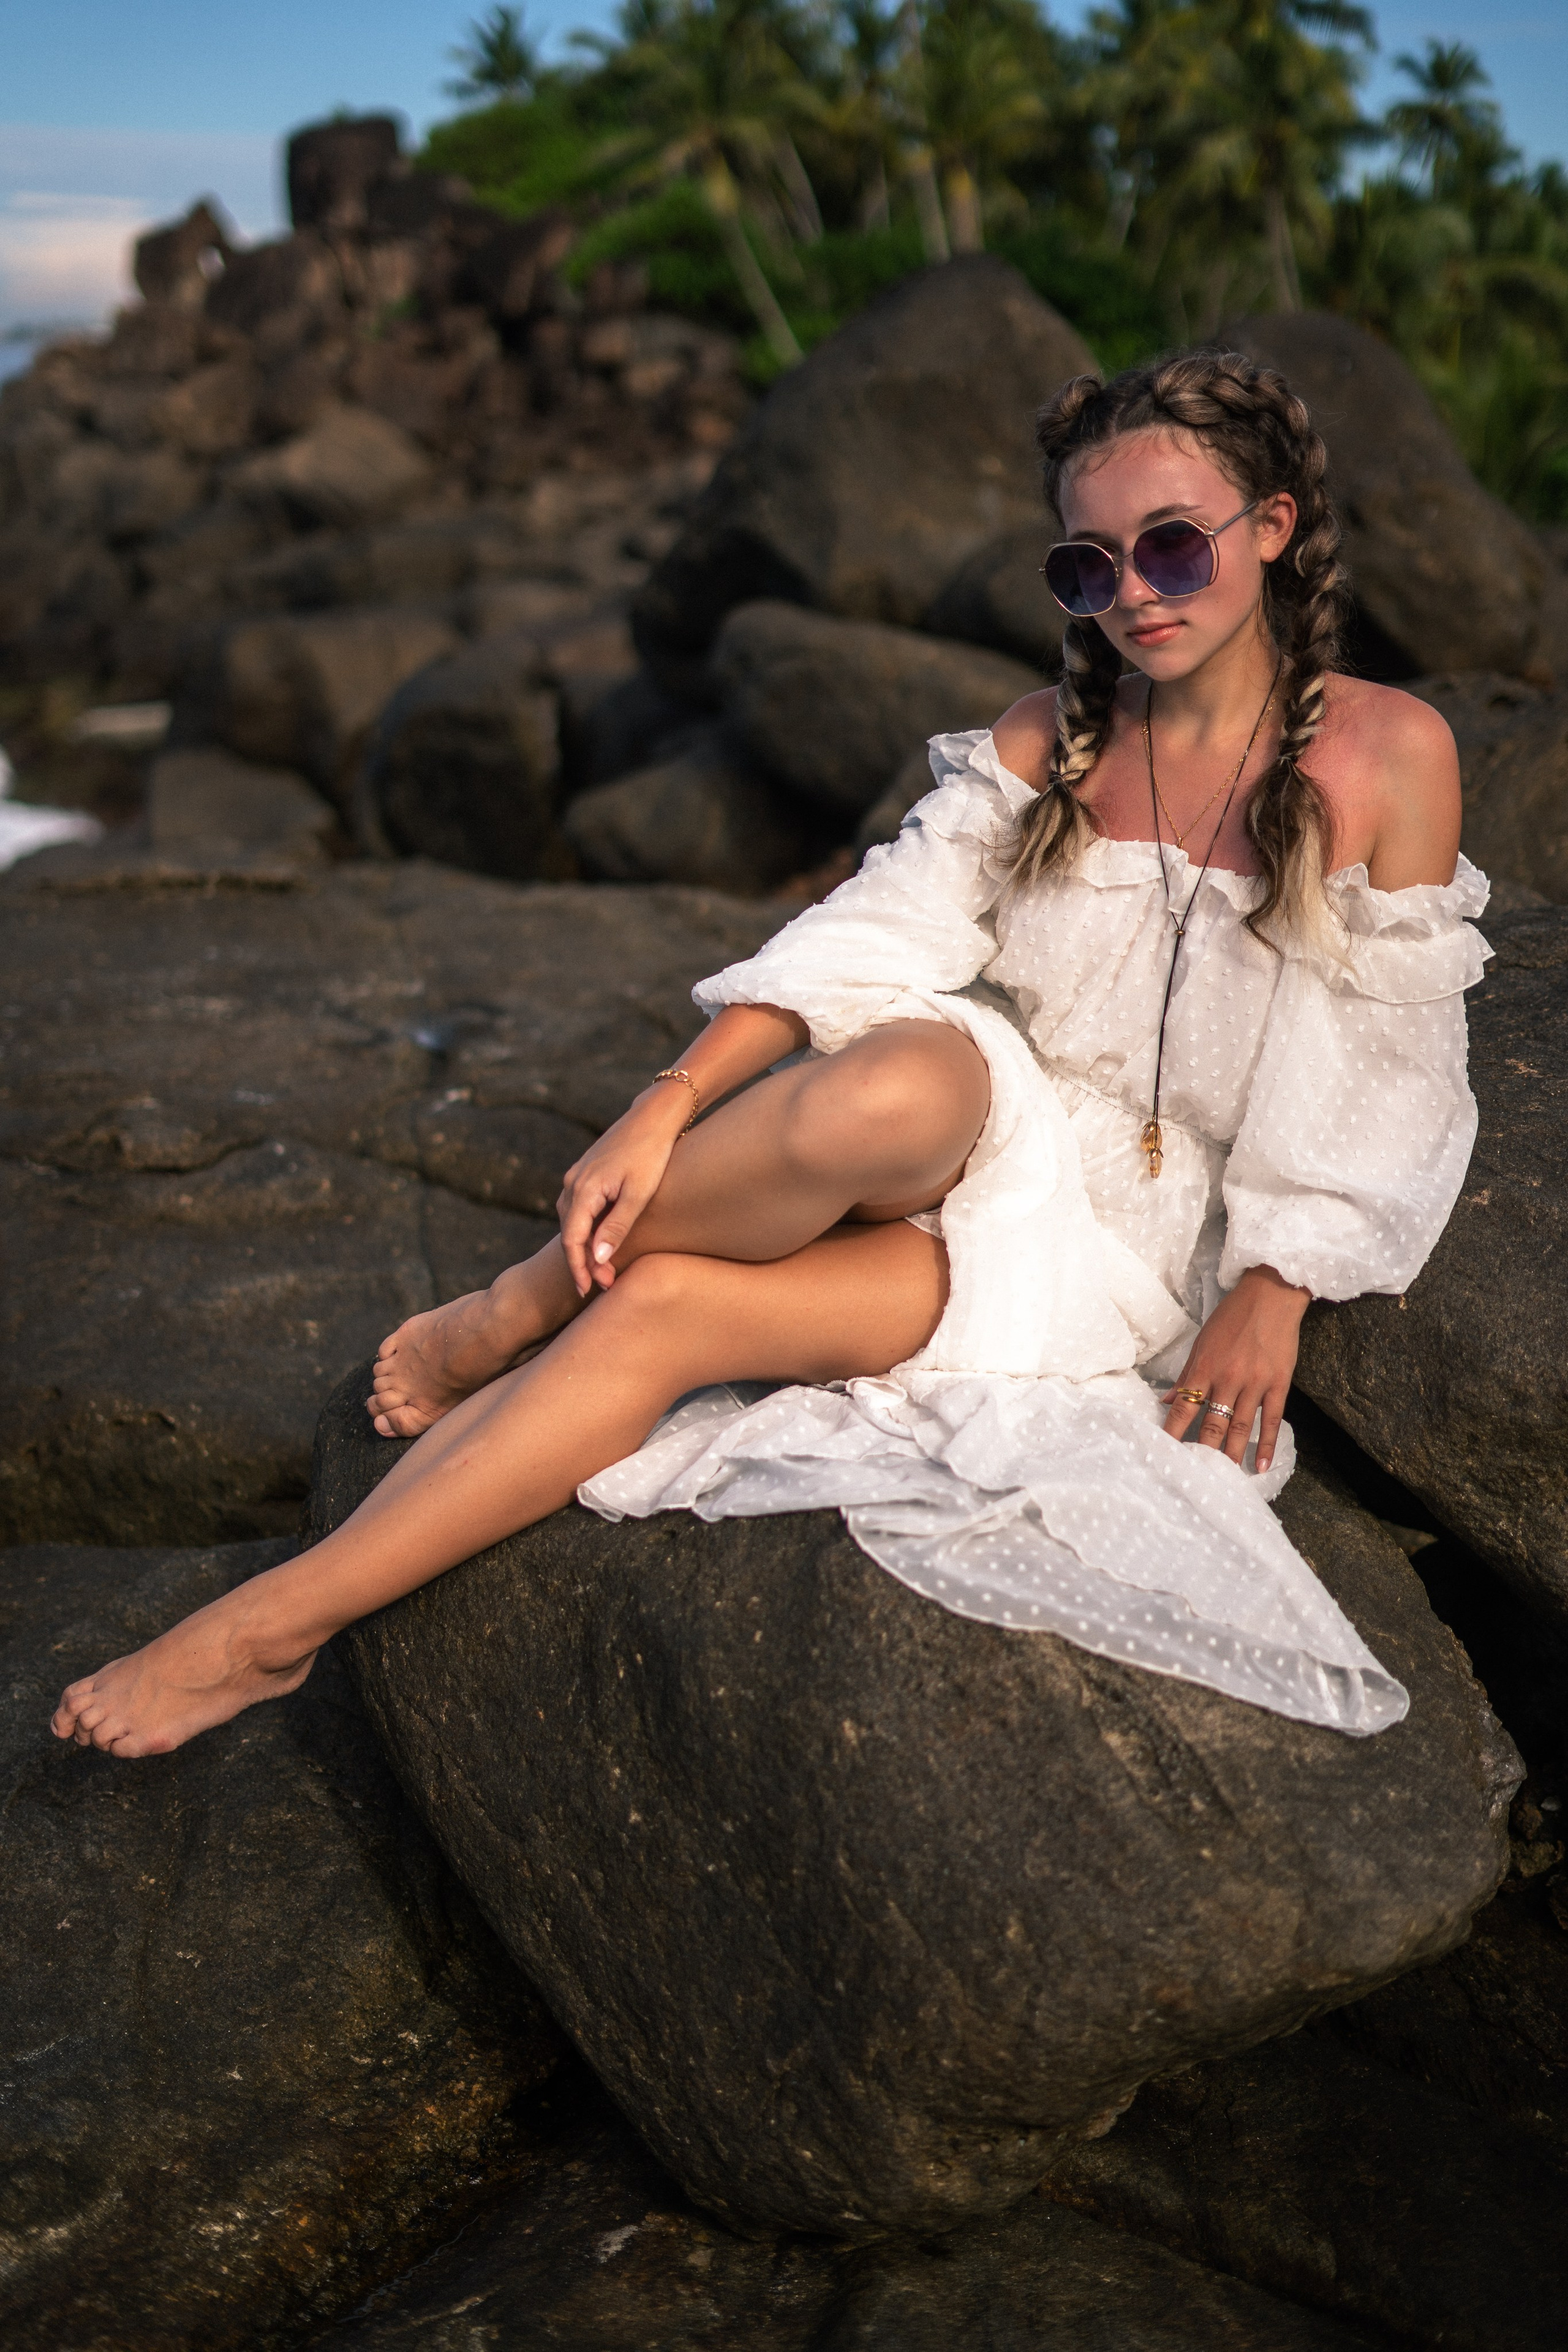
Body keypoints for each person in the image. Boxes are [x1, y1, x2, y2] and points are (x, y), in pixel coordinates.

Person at [53, 347, 1487, 1760]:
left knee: (667, 1307)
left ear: (1273, 529)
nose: (1130, 595)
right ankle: (510, 1307)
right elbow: (873, 927)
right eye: (1086, 566)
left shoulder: (1384, 752)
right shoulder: (1049, 736)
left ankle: (272, 1624)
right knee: (910, 1068)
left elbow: (1383, 1058)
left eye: (1169, 549)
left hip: (1115, 1246)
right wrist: (660, 1106)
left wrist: (1275, 1284)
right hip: (975, 1125)